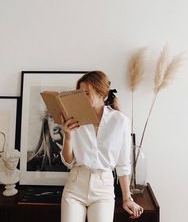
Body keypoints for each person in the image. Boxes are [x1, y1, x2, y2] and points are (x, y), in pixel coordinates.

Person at [60, 71, 143, 222]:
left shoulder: (120, 121)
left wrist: (127, 198)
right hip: (75, 186)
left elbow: (123, 164)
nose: (82, 98)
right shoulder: (73, 119)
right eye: (80, 93)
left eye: (86, 93)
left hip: (103, 189)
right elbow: (68, 161)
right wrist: (68, 136)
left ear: (101, 93)